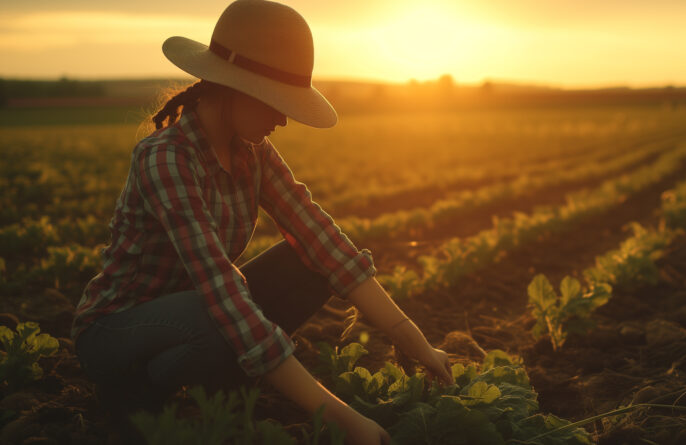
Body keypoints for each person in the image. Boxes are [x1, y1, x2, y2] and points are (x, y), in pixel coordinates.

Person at [70, 1, 453, 444]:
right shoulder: (165, 159)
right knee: (218, 314)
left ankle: (228, 376)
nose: (283, 118)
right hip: (116, 332)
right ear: (234, 87)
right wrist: (344, 419)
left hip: (201, 313)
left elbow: (323, 240)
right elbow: (220, 288)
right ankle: (138, 395)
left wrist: (415, 341)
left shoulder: (253, 152)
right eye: (276, 101)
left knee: (307, 261)